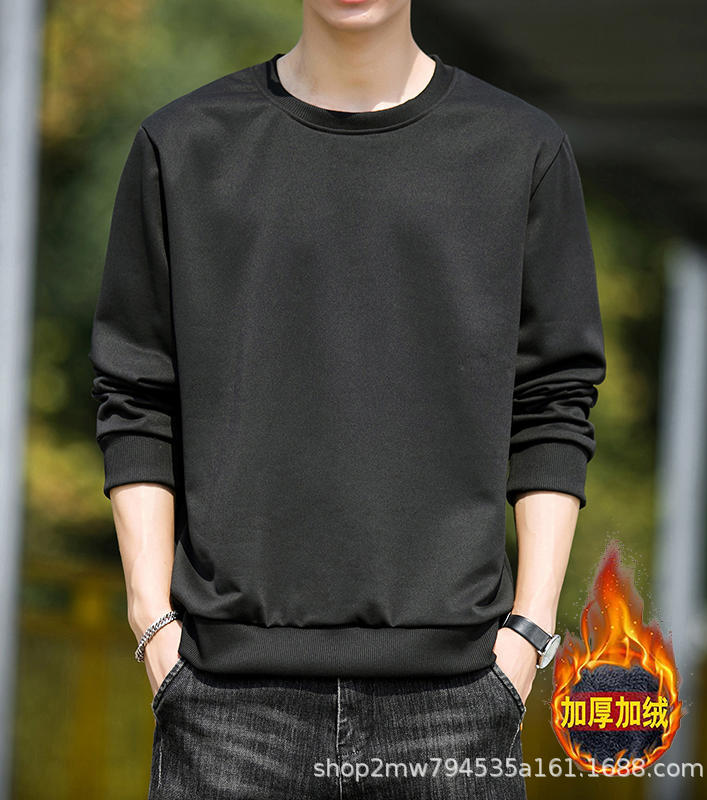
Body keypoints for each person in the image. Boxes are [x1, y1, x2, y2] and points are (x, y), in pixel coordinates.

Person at [88, 1, 607, 797]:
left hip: (458, 697)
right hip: (227, 701)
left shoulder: (521, 150)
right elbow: (134, 393)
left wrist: (529, 632)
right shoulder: (184, 146)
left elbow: (553, 399)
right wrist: (152, 622)